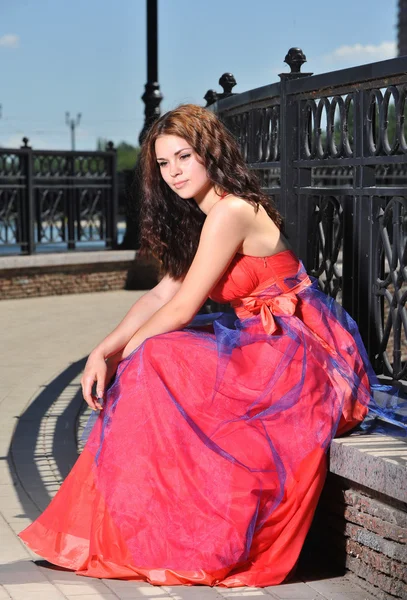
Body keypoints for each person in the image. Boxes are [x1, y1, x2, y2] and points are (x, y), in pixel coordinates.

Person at [19, 104, 374, 588]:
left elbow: (183, 309)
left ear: (210, 152)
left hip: (299, 353)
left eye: (184, 157)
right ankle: (159, 532)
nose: (174, 172)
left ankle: (185, 538)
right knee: (153, 361)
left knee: (156, 360)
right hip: (263, 345)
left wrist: (123, 356)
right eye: (163, 164)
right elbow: (162, 293)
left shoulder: (230, 210)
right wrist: (103, 351)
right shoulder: (201, 216)